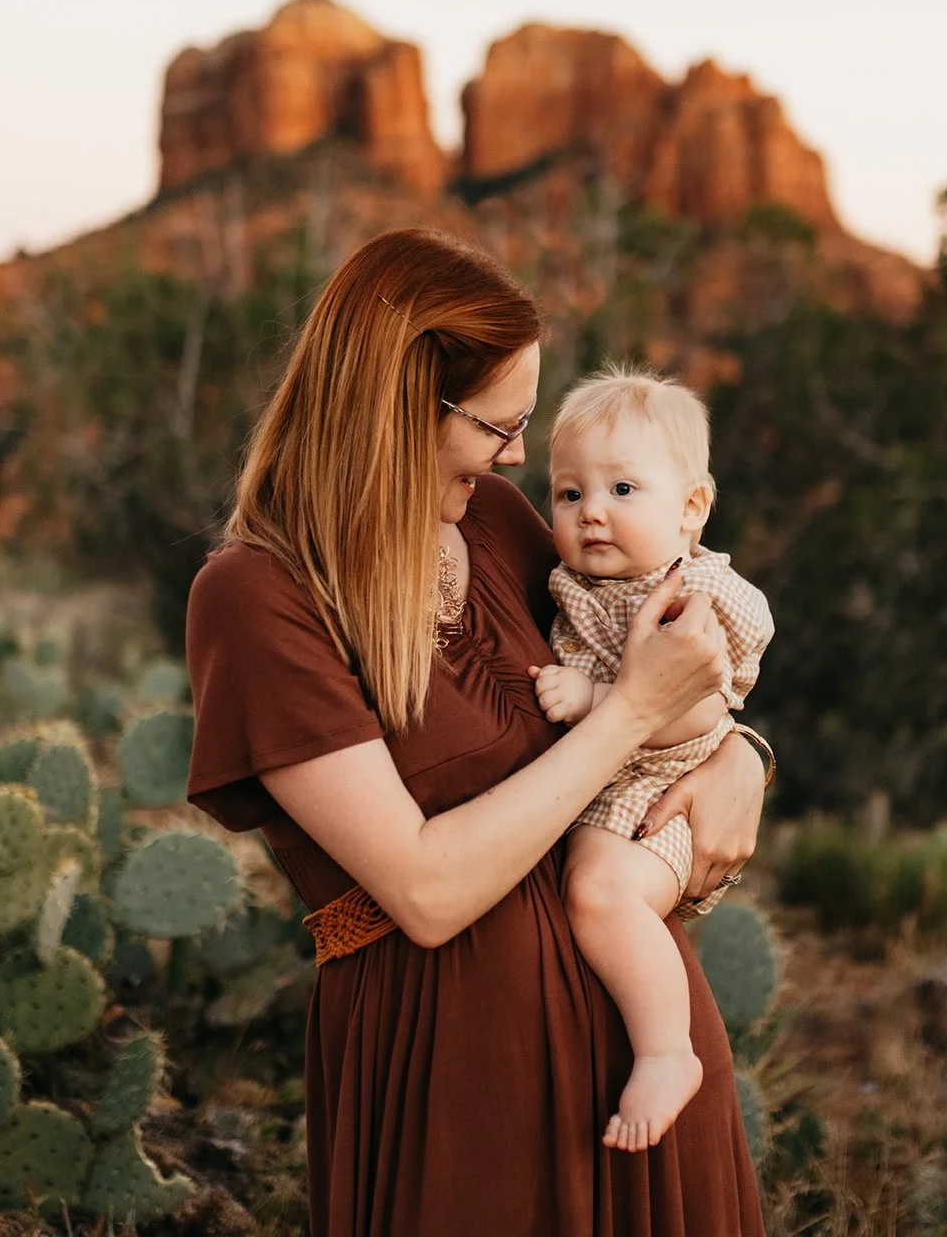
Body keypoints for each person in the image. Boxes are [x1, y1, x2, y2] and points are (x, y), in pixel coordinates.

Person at [183, 225, 772, 1235]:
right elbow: (424, 888)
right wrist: (631, 711)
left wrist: (741, 758)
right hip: (454, 1079)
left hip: (642, 1063)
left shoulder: (498, 523)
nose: (514, 453)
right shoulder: (259, 597)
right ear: (401, 407)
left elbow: (665, 643)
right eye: (498, 424)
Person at [528, 369, 775, 1153]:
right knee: (587, 891)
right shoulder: (572, 582)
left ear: (691, 509)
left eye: (623, 488)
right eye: (568, 494)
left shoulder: (688, 591)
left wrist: (598, 698)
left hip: (668, 792)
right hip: (609, 791)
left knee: (599, 894)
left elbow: (699, 706)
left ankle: (669, 1053)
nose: (590, 511)